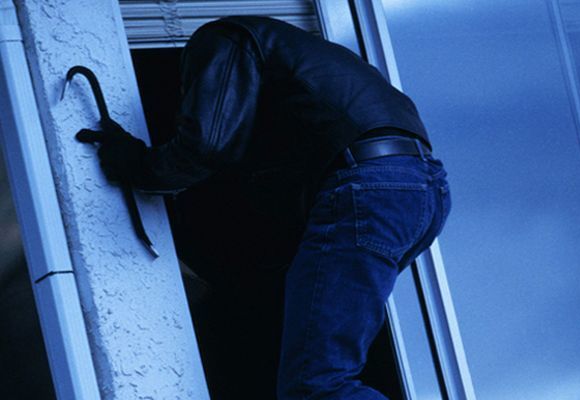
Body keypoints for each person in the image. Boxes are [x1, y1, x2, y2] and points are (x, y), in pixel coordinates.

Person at [77, 15, 451, 400]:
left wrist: (139, 165)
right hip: (422, 193)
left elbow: (207, 145)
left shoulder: (222, 39)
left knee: (318, 385)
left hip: (369, 186)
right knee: (314, 365)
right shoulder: (309, 68)